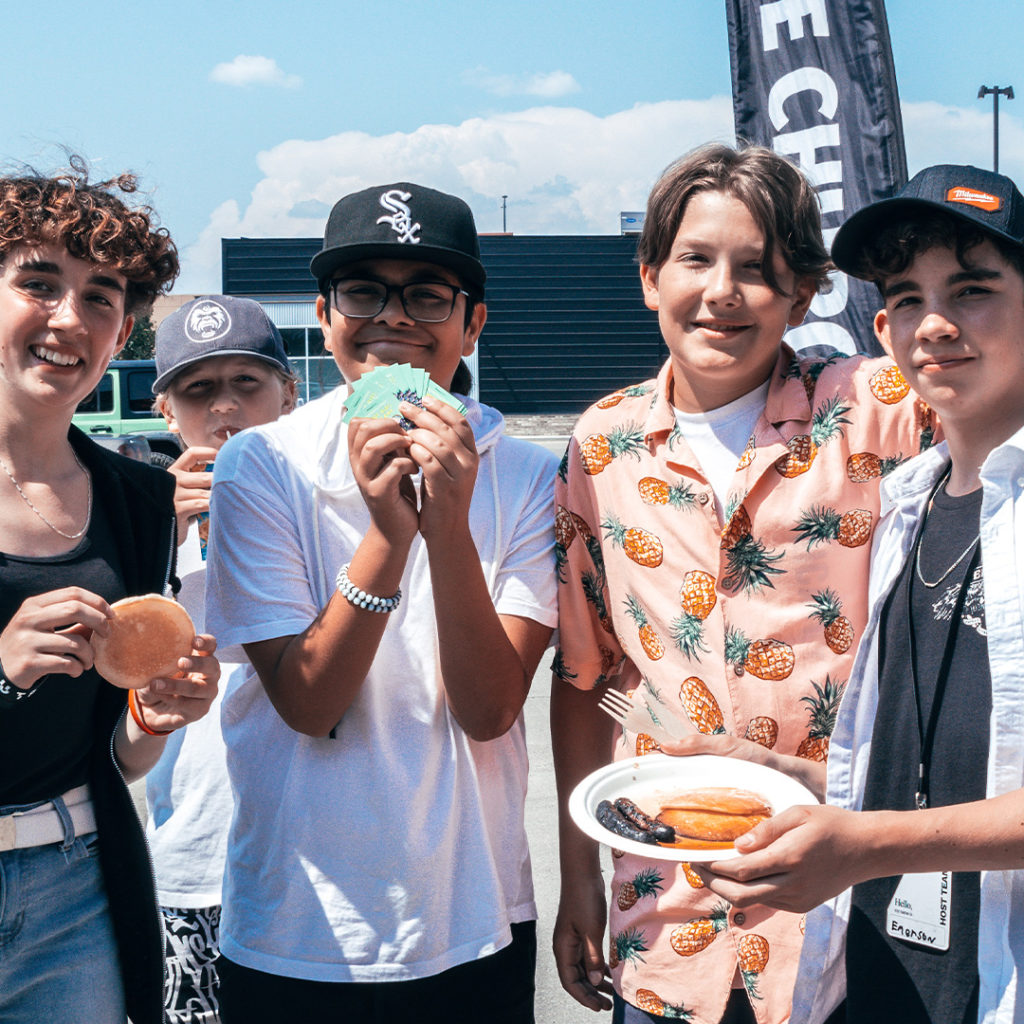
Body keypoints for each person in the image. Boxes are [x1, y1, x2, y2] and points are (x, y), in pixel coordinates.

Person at [551, 143, 937, 1024]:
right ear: (650, 278)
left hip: (849, 913)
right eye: (695, 259)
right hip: (666, 918)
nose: (722, 291)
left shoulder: (879, 405)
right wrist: (579, 881)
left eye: (756, 269)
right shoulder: (602, 444)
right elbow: (584, 674)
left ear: (802, 296)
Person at [204, 182, 558, 1023]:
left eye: (428, 296)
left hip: (472, 915)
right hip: (297, 920)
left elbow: (488, 709)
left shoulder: (528, 472)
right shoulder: (261, 466)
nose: (393, 319)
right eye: (363, 292)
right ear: (326, 316)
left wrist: (448, 526)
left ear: (472, 323)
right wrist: (390, 535)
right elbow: (308, 702)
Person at [697, 164, 1024, 1024]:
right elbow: (938, 765)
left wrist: (865, 844)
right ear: (882, 328)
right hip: (883, 976)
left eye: (975, 288)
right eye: (908, 299)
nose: (937, 323)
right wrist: (798, 780)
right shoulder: (908, 505)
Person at [0, 164, 221, 1024]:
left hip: (76, 890)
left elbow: (114, 756)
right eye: (39, 283)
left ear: (124, 329)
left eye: (101, 297)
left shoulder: (138, 501)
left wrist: (155, 714)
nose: (69, 318)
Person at [147, 294, 297, 1024]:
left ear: (289, 394)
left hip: (306, 858)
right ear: (165, 412)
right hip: (189, 858)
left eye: (248, 383)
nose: (225, 408)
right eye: (199, 389)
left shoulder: (329, 512)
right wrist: (158, 537)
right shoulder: (133, 523)